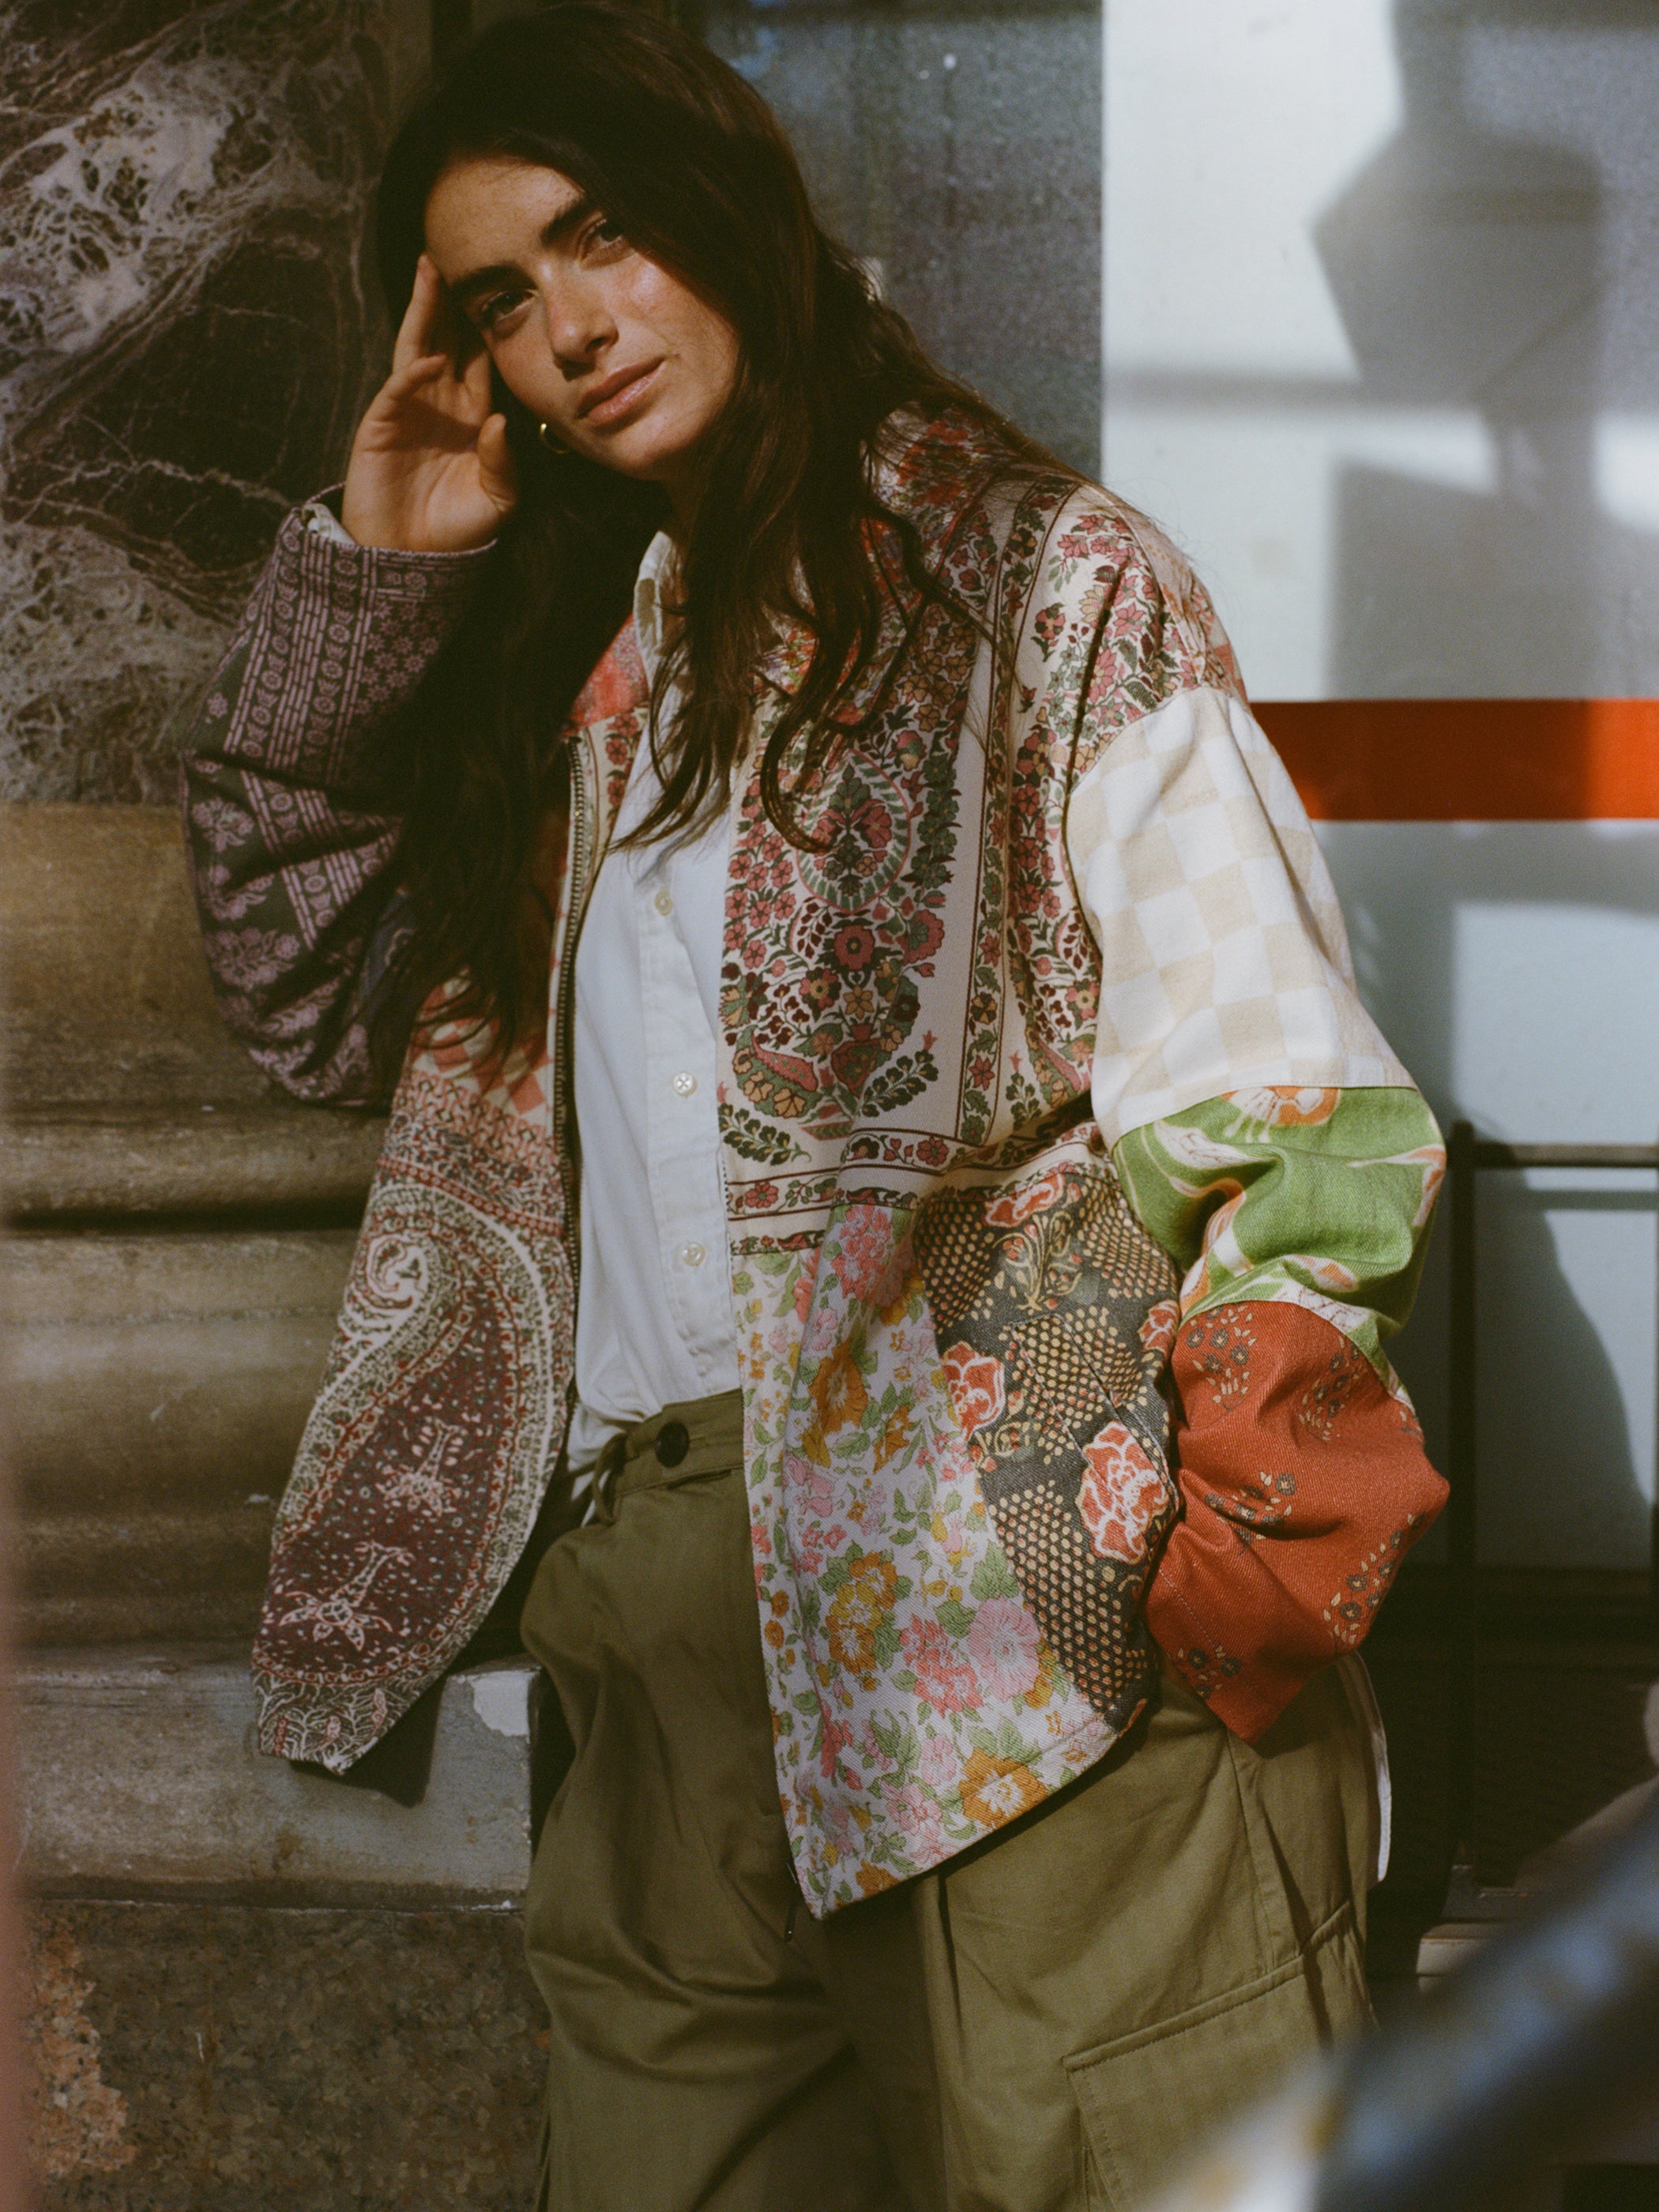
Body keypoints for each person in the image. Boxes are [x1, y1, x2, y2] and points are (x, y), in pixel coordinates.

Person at [180, 9, 1448, 2206]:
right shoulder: (579, 664)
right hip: (660, 1618)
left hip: (1017, 1612)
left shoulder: (1049, 577)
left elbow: (1282, 1099)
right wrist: (387, 574)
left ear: (729, 212)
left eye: (599, 239)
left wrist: (1204, 1573)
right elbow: (294, 993)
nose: (568, 330)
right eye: (497, 298)